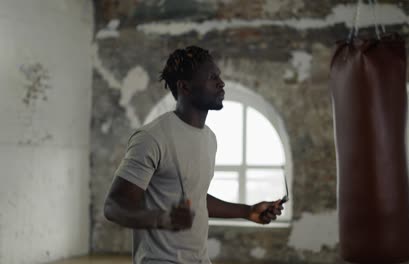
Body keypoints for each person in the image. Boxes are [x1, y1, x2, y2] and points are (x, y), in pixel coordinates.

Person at [104, 46, 284, 264]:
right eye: (212, 77)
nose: (221, 83)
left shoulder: (210, 139)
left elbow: (195, 198)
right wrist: (162, 218)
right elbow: (114, 206)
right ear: (185, 87)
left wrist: (247, 211)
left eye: (218, 76)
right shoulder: (151, 137)